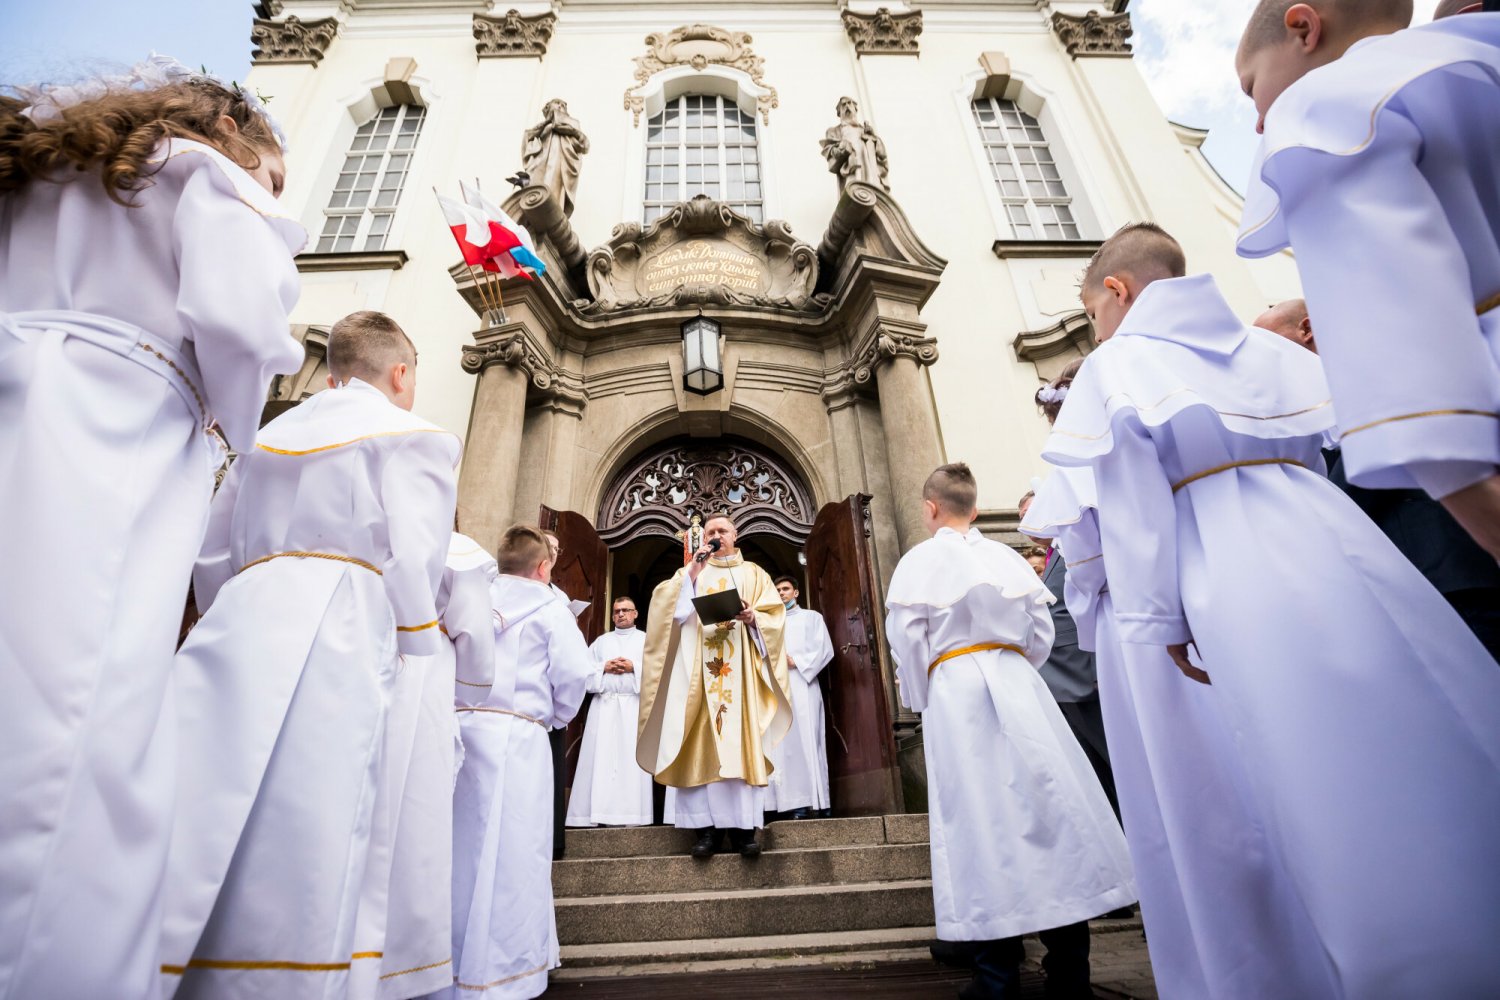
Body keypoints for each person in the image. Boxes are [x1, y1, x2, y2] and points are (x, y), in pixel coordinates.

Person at [1044, 222, 1500, 997]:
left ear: (1116, 291)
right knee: (1374, 742)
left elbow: (1134, 508)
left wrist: (1159, 620)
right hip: (1329, 537)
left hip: (1216, 559)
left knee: (1251, 775)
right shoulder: (1272, 351)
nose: (1096, 328)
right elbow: (1325, 450)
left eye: (1092, 312)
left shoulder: (1118, 363)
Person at [0, 56, 304, 999]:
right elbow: (244, 329)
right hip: (113, 427)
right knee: (87, 704)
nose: (273, 192)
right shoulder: (200, 173)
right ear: (231, 132)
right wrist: (232, 427)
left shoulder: (44, 173)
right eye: (275, 175)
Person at [160, 311, 459, 1000]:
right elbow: (414, 561)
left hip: (243, 614)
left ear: (331, 376)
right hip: (347, 619)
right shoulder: (416, 438)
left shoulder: (265, 437)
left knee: (214, 788)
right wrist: (414, 645)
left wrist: (232, 607)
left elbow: (211, 550)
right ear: (401, 373)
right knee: (325, 801)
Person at [1234, 0, 1500, 559]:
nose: (1257, 120)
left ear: (1303, 28)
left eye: (1251, 86)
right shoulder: (1477, 56)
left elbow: (1406, 371)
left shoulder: (1325, 107)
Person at [887, 463, 1134, 1000]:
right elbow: (1041, 631)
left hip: (956, 693)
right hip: (1020, 685)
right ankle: (1070, 975)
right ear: (975, 508)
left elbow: (906, 640)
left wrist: (923, 696)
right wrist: (1013, 669)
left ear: (929, 508)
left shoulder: (919, 562)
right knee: (1054, 812)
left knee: (980, 823)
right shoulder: (1006, 558)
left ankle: (996, 979)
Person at [1256, 298, 1500, 661]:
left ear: (1306, 329)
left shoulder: (1362, 379)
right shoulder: (1306, 403)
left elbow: (1363, 469)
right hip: (1409, 583)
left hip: (1448, 570)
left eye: (1266, 341)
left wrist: (1310, 515)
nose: (1259, 357)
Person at [445, 525, 593, 1000]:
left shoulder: (472, 599)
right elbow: (573, 674)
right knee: (515, 850)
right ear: (544, 567)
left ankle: (449, 965)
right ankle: (506, 972)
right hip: (519, 735)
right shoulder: (550, 608)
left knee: (460, 850)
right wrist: (557, 717)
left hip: (462, 730)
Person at [376, 532, 497, 1000]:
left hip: (355, 645)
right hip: (422, 666)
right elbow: (474, 633)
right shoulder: (454, 549)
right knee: (414, 806)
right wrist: (471, 688)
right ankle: (405, 965)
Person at [637, 512, 790, 858]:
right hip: (698, 675)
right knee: (700, 746)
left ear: (735, 536)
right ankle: (705, 832)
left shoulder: (754, 574)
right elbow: (667, 612)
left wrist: (753, 618)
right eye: (710, 532)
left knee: (740, 746)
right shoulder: (692, 571)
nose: (716, 535)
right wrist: (692, 573)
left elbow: (775, 618)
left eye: (722, 530)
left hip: (741, 678)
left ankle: (743, 832)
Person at [566, 596, 654, 828]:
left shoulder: (647, 641)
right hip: (603, 707)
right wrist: (603, 667)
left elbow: (659, 672)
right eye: (616, 611)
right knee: (601, 761)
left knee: (630, 762)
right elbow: (582, 671)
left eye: (625, 610)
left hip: (633, 707)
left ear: (636, 613)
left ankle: (631, 815)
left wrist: (634, 667)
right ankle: (597, 813)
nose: (620, 614)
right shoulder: (601, 642)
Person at [765, 576, 835, 820]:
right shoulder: (770, 623)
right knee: (786, 746)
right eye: (777, 590)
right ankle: (796, 803)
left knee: (809, 740)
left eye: (785, 589)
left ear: (796, 592)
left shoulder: (812, 618)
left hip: (803, 683)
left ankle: (819, 800)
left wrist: (798, 662)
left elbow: (825, 649)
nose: (781, 593)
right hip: (779, 687)